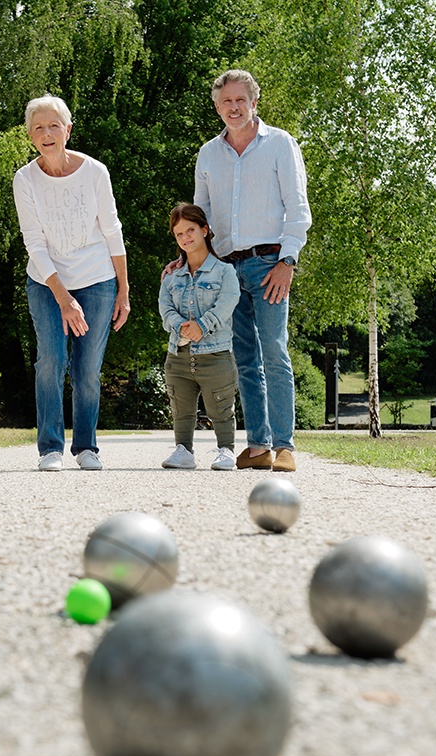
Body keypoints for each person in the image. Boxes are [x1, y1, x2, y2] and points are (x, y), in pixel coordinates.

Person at [194, 69, 310, 472]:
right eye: (226, 101)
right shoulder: (208, 154)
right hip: (227, 269)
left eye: (241, 100)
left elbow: (298, 209)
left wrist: (288, 260)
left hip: (269, 264)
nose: (234, 107)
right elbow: (202, 215)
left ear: (254, 102)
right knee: (244, 357)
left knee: (274, 350)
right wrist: (191, 255)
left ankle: (285, 446)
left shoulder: (280, 144)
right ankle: (258, 445)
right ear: (216, 106)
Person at [13, 94, 130, 472]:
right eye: (38, 128)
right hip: (47, 283)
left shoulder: (95, 172)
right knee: (50, 359)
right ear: (30, 135)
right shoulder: (25, 179)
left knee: (87, 367)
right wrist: (63, 297)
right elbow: (34, 243)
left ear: (68, 129)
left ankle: (86, 447)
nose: (47, 134)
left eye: (53, 126)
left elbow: (113, 232)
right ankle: (50, 447)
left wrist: (123, 291)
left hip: (97, 280)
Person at [158, 204, 240, 471]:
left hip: (216, 355)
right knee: (181, 408)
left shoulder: (225, 272)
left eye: (190, 230)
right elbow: (165, 308)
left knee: (221, 408)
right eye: (178, 233)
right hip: (178, 356)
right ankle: (183, 451)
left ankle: (226, 450)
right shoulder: (171, 277)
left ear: (205, 230)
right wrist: (181, 326)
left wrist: (202, 326)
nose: (185, 238)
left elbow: (227, 303)